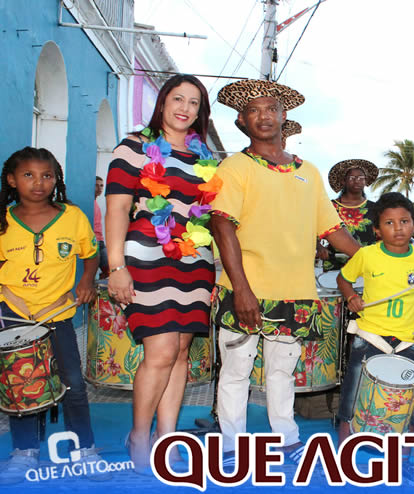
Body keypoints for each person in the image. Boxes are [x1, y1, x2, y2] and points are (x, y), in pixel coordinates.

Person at [209, 78, 359, 465]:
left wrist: (373, 259)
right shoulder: (234, 167)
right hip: (244, 291)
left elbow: (332, 229)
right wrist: (242, 290)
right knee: (236, 371)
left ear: (283, 115)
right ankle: (231, 445)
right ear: (241, 121)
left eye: (271, 109)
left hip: (295, 291)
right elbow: (222, 226)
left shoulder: (308, 172)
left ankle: (287, 439)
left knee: (282, 373)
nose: (264, 117)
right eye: (253, 111)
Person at [106, 74, 218, 472]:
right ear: (163, 103)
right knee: (162, 350)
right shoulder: (134, 146)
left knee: (181, 351)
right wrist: (116, 266)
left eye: (194, 102)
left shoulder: (206, 158)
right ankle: (139, 434)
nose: (185, 108)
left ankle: (166, 437)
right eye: (177, 99)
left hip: (195, 261)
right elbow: (117, 208)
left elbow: (210, 216)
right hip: (146, 257)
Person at [0, 147, 107, 484]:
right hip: (13, 313)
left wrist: (86, 282)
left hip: (57, 312)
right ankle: (24, 452)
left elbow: (90, 254)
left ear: (56, 179)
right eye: (28, 175)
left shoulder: (72, 216)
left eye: (47, 176)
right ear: (11, 180)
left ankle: (83, 450)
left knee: (73, 383)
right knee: (22, 384)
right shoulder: (3, 220)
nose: (39, 183)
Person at [336, 192, 414, 443]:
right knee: (352, 399)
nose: (398, 228)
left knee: (410, 403)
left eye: (404, 221)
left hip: (407, 340)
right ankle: (344, 451)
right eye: (389, 223)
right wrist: (351, 297)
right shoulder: (366, 255)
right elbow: (343, 279)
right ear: (377, 230)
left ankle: (403, 454)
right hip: (369, 337)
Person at [317, 159, 379, 272]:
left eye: (361, 178)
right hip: (334, 267)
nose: (357, 181)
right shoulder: (331, 207)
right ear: (343, 181)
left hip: (367, 267)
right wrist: (319, 247)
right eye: (352, 178)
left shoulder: (375, 208)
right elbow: (313, 231)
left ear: (365, 181)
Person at [94, 176, 109, 278]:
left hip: (100, 240)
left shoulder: (96, 203)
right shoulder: (90, 203)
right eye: (96, 185)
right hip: (94, 241)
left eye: (101, 186)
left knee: (108, 269)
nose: (99, 188)